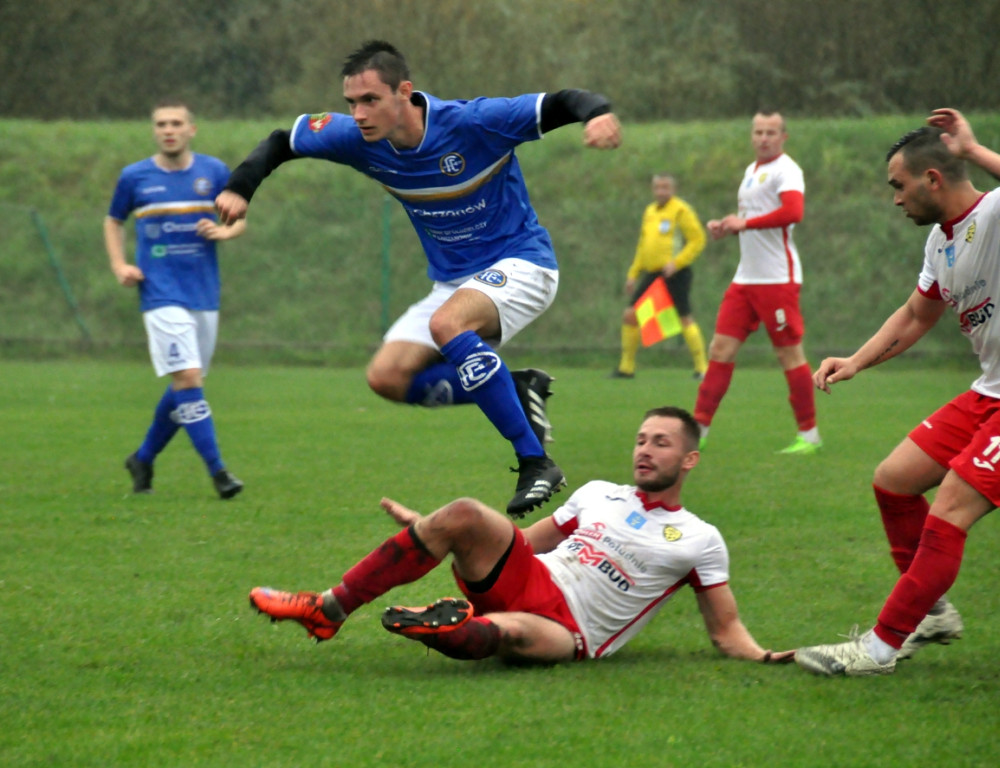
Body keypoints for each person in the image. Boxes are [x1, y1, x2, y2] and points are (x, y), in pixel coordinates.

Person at [214, 40, 622, 518]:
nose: (359, 113)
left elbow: (559, 103)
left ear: (404, 92)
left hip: (524, 263)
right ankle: (515, 388)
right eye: (352, 103)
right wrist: (241, 188)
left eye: (370, 100)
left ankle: (535, 460)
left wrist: (597, 113)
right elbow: (284, 140)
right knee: (387, 377)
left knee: (448, 325)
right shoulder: (357, 139)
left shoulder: (475, 122)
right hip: (454, 283)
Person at [249, 406, 795, 666]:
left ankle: (442, 628)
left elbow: (726, 631)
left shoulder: (700, 539)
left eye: (662, 443)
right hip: (533, 575)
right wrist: (432, 529)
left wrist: (771, 657)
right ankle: (328, 608)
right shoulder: (600, 493)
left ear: (690, 459)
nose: (645, 450)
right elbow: (527, 543)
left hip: (570, 630)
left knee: (501, 635)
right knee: (464, 512)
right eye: (641, 440)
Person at [795, 108, 1000, 676]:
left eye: (898, 186)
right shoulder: (940, 244)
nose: (895, 199)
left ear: (933, 178)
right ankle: (932, 611)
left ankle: (878, 648)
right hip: (989, 392)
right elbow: (916, 316)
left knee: (949, 507)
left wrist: (974, 151)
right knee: (893, 482)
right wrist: (856, 361)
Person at [104, 99, 246, 499]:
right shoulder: (135, 177)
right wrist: (120, 265)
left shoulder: (214, 172)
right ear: (154, 131)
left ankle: (143, 458)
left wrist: (225, 232)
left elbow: (239, 218)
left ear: (191, 130)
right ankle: (219, 473)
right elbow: (113, 220)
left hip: (203, 293)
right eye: (162, 123)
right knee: (187, 378)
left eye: (176, 123)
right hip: (160, 293)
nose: (169, 129)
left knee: (188, 384)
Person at [695, 111, 821, 454]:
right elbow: (749, 220)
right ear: (752, 136)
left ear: (783, 137)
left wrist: (745, 225)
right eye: (758, 132)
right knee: (719, 350)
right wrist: (728, 226)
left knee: (788, 354)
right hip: (745, 279)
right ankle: (698, 431)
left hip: (777, 279)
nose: (764, 138)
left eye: (771, 132)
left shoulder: (787, 170)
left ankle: (809, 436)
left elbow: (793, 213)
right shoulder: (752, 172)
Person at [610, 174, 708, 380]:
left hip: (676, 273)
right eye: (657, 187)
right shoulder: (650, 211)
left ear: (673, 189)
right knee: (630, 314)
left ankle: (702, 368)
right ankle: (626, 368)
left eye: (665, 187)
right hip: (653, 273)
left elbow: (697, 240)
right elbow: (643, 245)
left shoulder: (681, 210)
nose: (661, 191)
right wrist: (633, 273)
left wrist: (677, 262)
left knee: (684, 317)